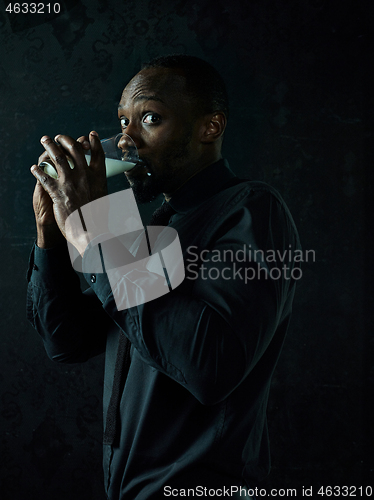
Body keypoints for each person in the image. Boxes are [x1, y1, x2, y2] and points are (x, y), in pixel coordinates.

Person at [27, 55, 301, 499]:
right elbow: (66, 340)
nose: (126, 140)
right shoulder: (152, 229)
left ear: (209, 127)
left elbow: (209, 364)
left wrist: (98, 228)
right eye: (123, 120)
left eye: (149, 118)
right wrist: (51, 234)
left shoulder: (252, 209)